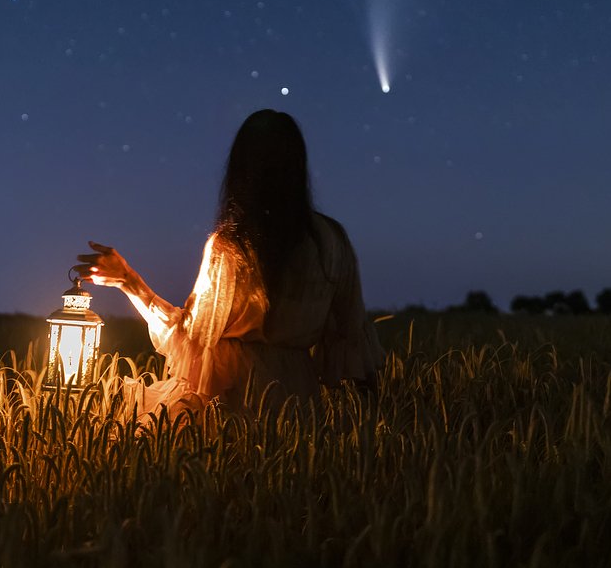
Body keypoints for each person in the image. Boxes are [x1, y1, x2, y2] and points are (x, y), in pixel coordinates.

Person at [75, 109, 385, 420]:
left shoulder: (231, 246)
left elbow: (192, 339)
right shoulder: (332, 240)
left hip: (233, 407)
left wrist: (129, 281)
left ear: (241, 168)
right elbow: (354, 339)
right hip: (299, 410)